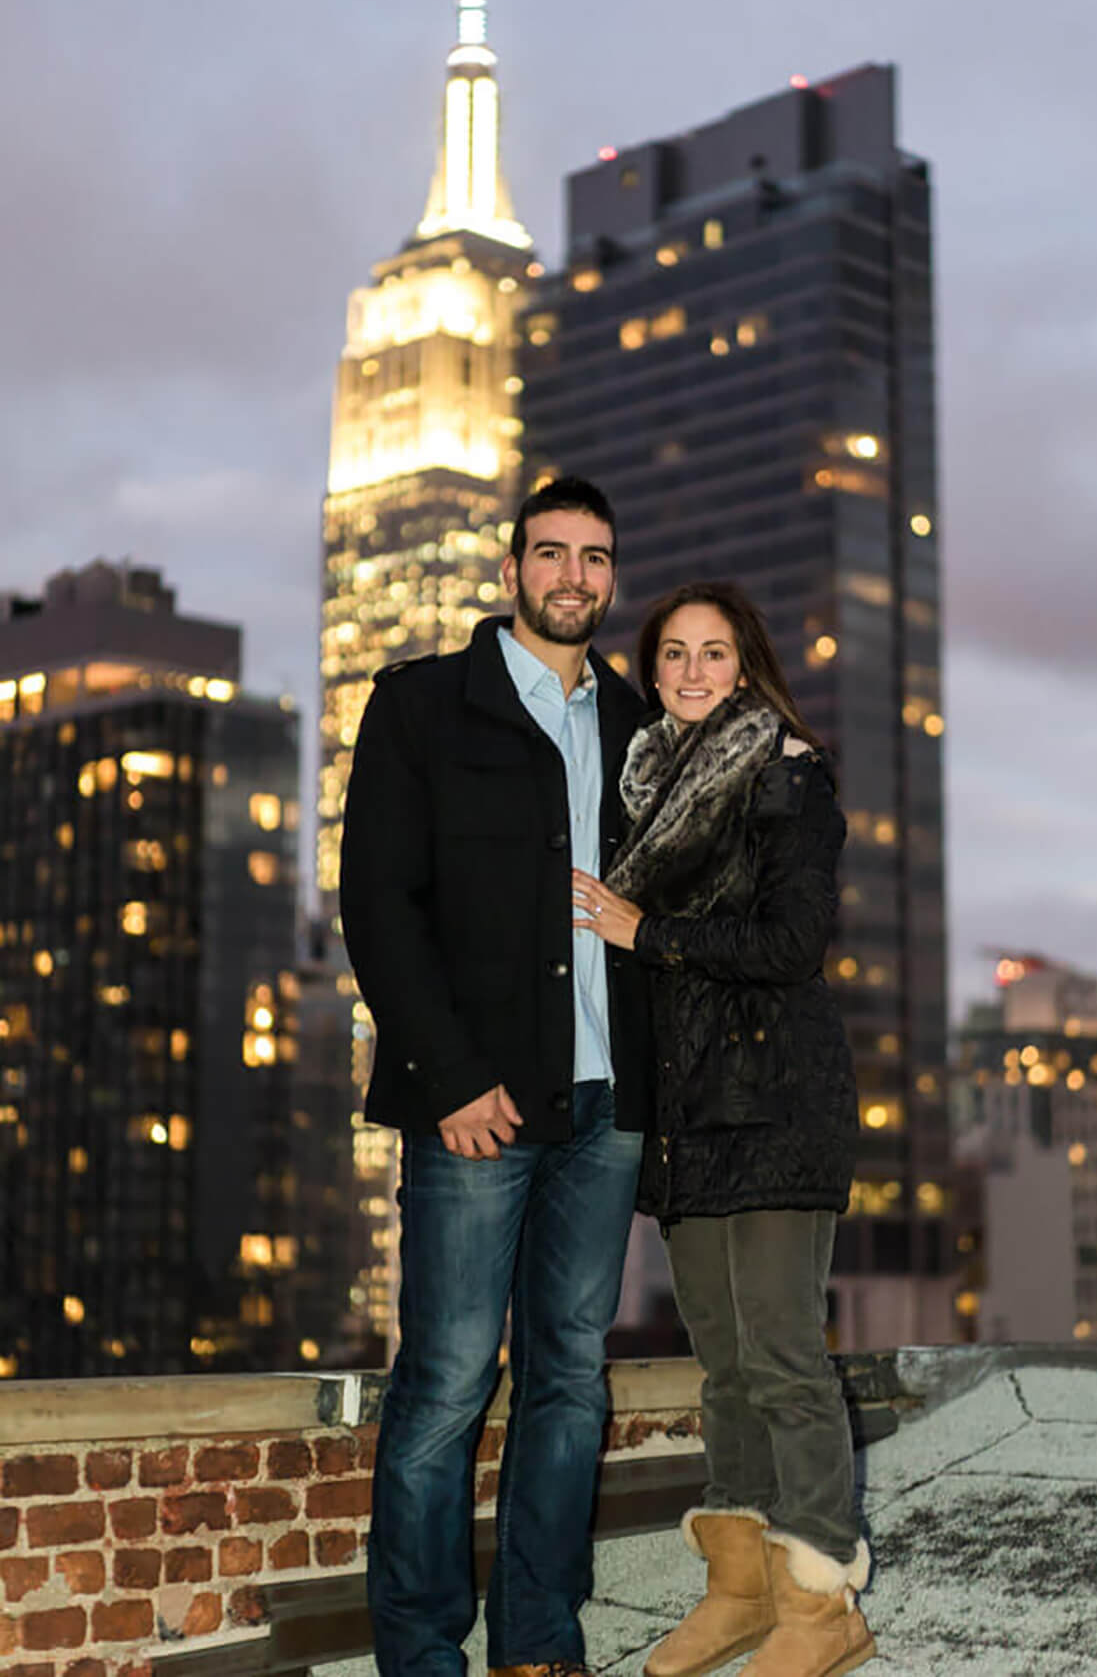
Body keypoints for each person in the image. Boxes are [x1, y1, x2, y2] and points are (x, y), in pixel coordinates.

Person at [339, 477, 651, 1677]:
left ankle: (538, 1640)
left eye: (596, 558)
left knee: (570, 1379)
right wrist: (452, 1075)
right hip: (475, 1106)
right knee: (449, 1379)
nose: (575, 576)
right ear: (512, 564)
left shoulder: (633, 728)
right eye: (553, 553)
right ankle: (419, 1651)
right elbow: (378, 902)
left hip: (605, 1107)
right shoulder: (423, 705)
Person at [572, 581, 875, 1677]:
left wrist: (642, 926)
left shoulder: (788, 773)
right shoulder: (650, 784)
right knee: (725, 1366)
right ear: (652, 672)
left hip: (777, 1097)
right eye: (673, 655)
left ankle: (821, 1597)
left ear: (744, 665)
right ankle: (741, 1584)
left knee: (786, 1358)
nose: (693, 670)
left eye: (715, 652)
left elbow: (792, 941)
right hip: (690, 1116)